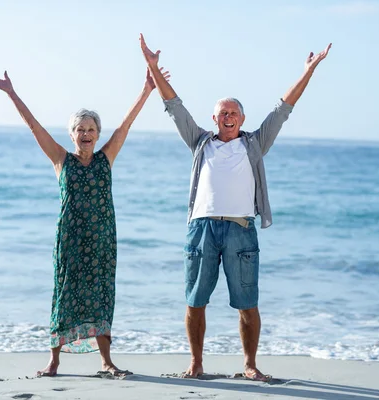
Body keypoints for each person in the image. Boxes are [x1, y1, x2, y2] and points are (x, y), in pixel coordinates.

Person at [139, 33, 330, 381]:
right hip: (202, 229)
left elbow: (283, 109)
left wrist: (308, 70)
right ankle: (196, 364)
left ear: (242, 118)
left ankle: (250, 365)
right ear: (214, 119)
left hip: (241, 230)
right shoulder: (200, 143)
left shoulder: (255, 143)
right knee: (195, 300)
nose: (227, 117)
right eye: (222, 113)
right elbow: (174, 107)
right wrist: (153, 67)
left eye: (233, 112)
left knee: (247, 303)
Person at [0, 66, 169, 377]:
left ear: (98, 134)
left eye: (91, 130)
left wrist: (147, 91)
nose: (86, 135)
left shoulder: (105, 158)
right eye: (80, 130)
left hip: (101, 240)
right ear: (72, 135)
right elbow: (33, 126)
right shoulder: (61, 160)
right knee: (64, 294)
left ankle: (107, 362)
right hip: (70, 239)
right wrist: (11, 93)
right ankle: (54, 361)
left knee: (102, 296)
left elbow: (125, 125)